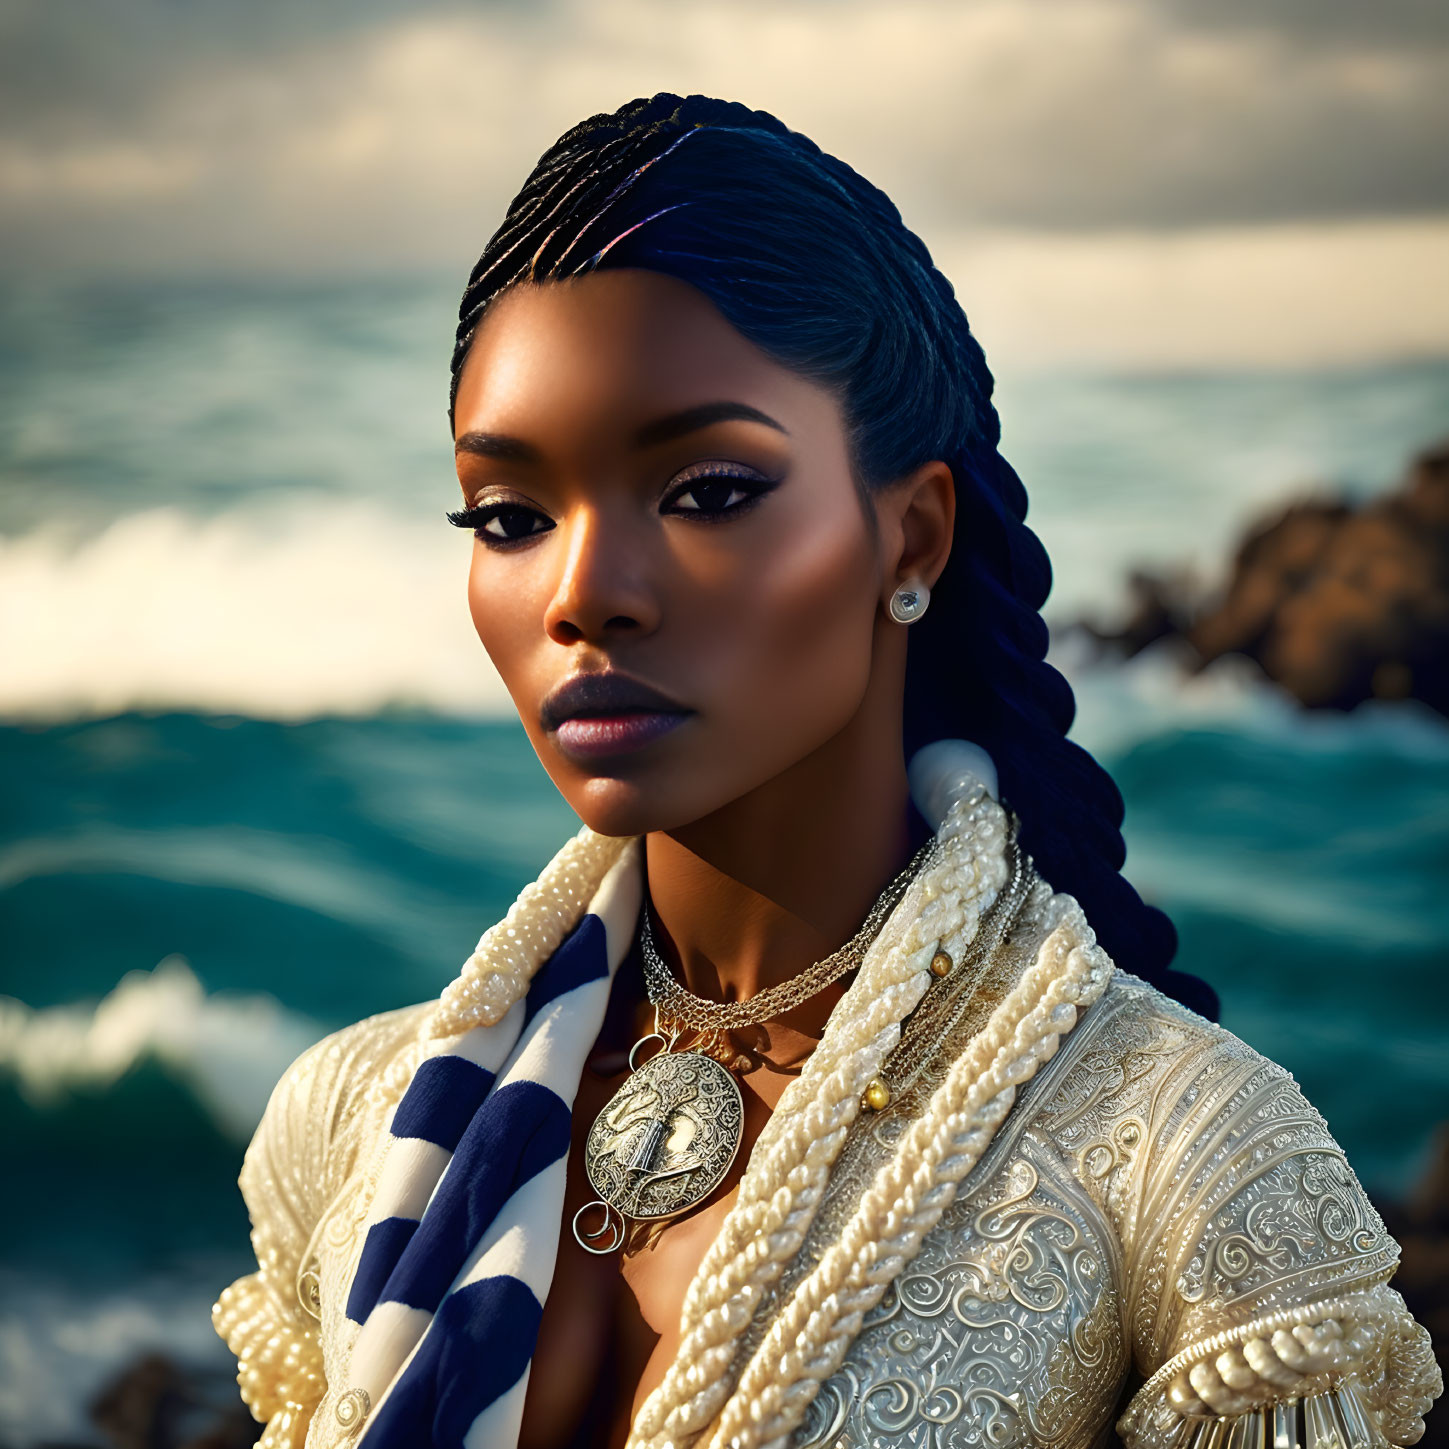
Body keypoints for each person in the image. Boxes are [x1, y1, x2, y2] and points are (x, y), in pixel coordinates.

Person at [212, 94, 1441, 1449]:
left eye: (706, 490)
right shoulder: (356, 1120)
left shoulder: (1187, 1165)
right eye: (508, 514)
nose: (583, 594)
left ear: (909, 539)